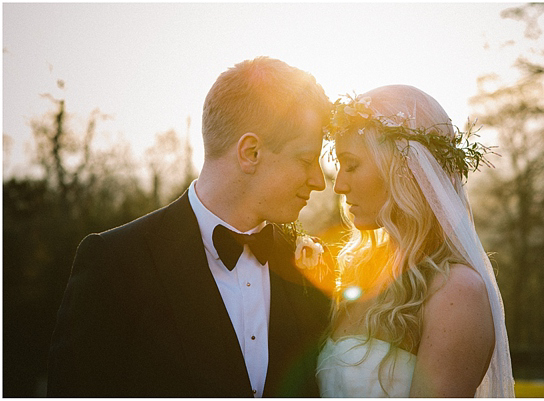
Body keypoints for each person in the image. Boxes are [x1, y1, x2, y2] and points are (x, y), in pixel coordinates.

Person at [47, 56, 332, 397]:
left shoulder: (309, 267)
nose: (319, 181)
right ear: (251, 152)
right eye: (305, 160)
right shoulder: (114, 264)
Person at [316, 85, 515, 397]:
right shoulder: (358, 274)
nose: (339, 185)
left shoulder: (455, 291)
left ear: (402, 169)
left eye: (352, 165)